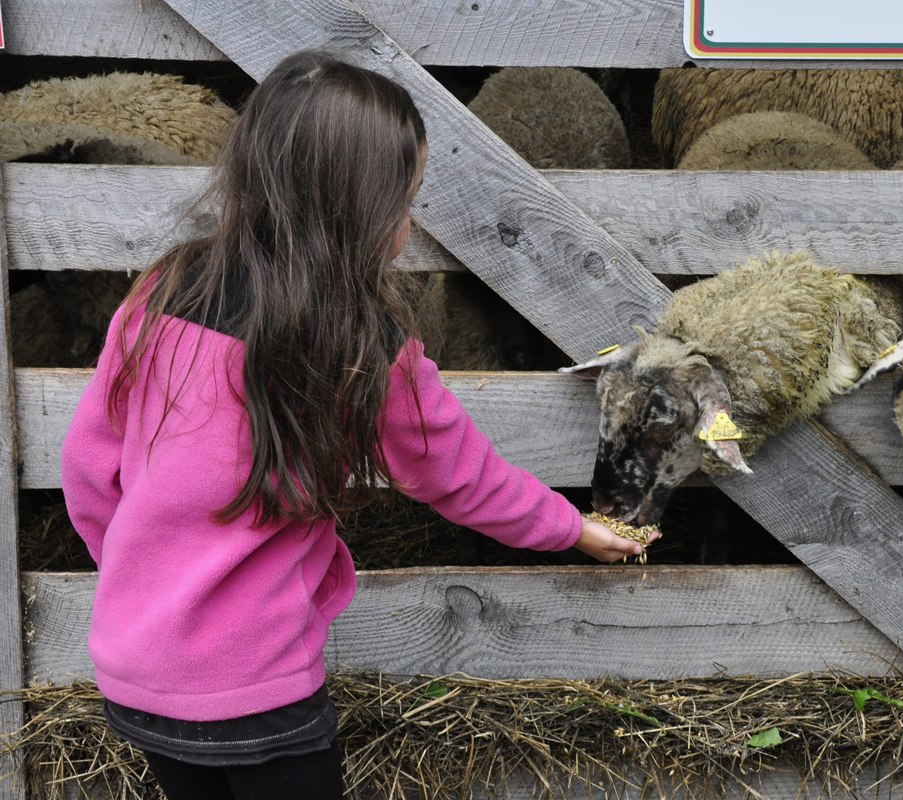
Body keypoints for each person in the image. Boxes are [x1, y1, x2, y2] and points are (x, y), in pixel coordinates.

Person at [60, 50, 650, 800]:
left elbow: (87, 466)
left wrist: (136, 581)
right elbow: (460, 476)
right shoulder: (363, 342)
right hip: (259, 688)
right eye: (404, 203)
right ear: (358, 211)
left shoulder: (164, 289)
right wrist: (570, 527)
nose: (408, 223)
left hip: (136, 677)